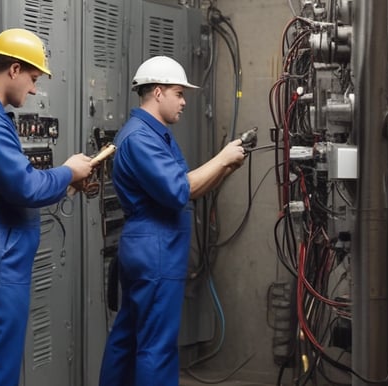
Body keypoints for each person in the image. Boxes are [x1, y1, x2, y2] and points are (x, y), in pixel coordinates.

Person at [0, 28, 93, 386]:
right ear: (13, 69)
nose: (34, 89)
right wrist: (68, 171)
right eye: (32, 78)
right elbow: (24, 186)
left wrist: (62, 182)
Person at [98, 55, 246, 386]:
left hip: (151, 247)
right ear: (159, 92)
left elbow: (187, 189)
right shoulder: (141, 139)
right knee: (157, 347)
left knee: (129, 338)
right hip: (156, 250)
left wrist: (224, 167)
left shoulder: (153, 135)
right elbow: (180, 190)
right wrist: (221, 158)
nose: (183, 102)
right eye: (179, 94)